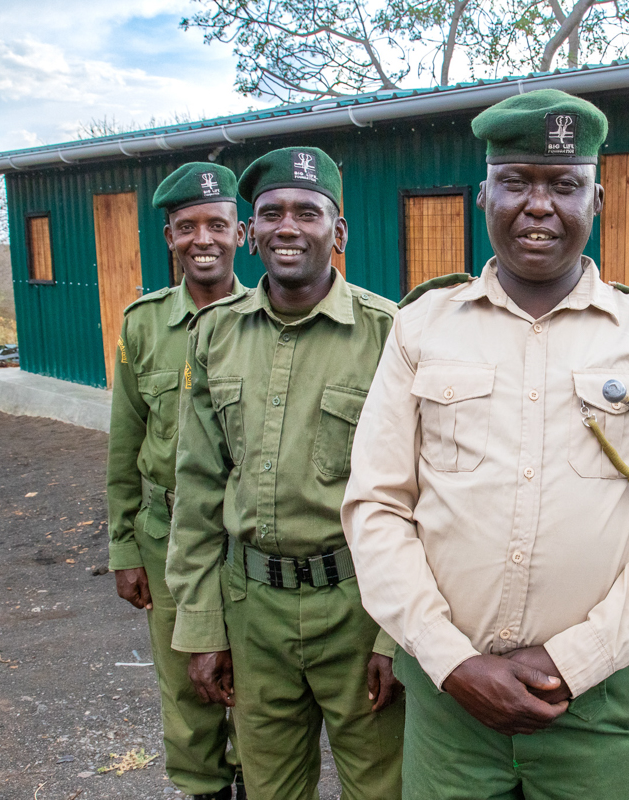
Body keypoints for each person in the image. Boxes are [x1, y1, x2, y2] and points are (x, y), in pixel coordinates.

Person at [341, 89, 629, 800]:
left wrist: (573, 661)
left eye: (564, 185)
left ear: (597, 199)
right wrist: (450, 660)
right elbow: (378, 506)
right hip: (450, 702)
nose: (539, 205)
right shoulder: (421, 327)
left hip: (596, 703)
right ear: (484, 196)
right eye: (516, 181)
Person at [166, 146, 405, 800]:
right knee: (270, 789)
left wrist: (397, 636)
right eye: (270, 213)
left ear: (340, 231)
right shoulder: (215, 333)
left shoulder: (391, 336)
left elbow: (424, 496)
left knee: (383, 787)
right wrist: (202, 625)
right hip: (253, 608)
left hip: (359, 605)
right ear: (250, 233)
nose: (288, 227)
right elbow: (197, 492)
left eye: (309, 212)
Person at [106, 162, 247, 800]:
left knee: (254, 687)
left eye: (216, 224)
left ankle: (254, 778)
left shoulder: (268, 317)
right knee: (184, 687)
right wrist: (122, 546)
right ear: (168, 237)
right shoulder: (142, 324)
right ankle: (204, 788)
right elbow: (125, 445)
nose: (203, 239)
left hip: (245, 540)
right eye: (186, 227)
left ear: (239, 233)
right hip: (164, 539)